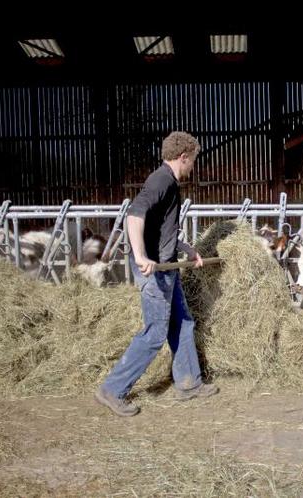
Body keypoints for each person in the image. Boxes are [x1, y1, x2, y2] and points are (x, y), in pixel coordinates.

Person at [95, 131, 218, 416]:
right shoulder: (161, 180)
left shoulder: (170, 184)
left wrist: (187, 249)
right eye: (193, 161)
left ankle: (189, 382)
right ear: (183, 157)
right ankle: (112, 389)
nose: (193, 167)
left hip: (168, 267)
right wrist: (140, 256)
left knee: (183, 323)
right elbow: (134, 216)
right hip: (154, 272)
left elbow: (160, 229)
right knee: (154, 333)